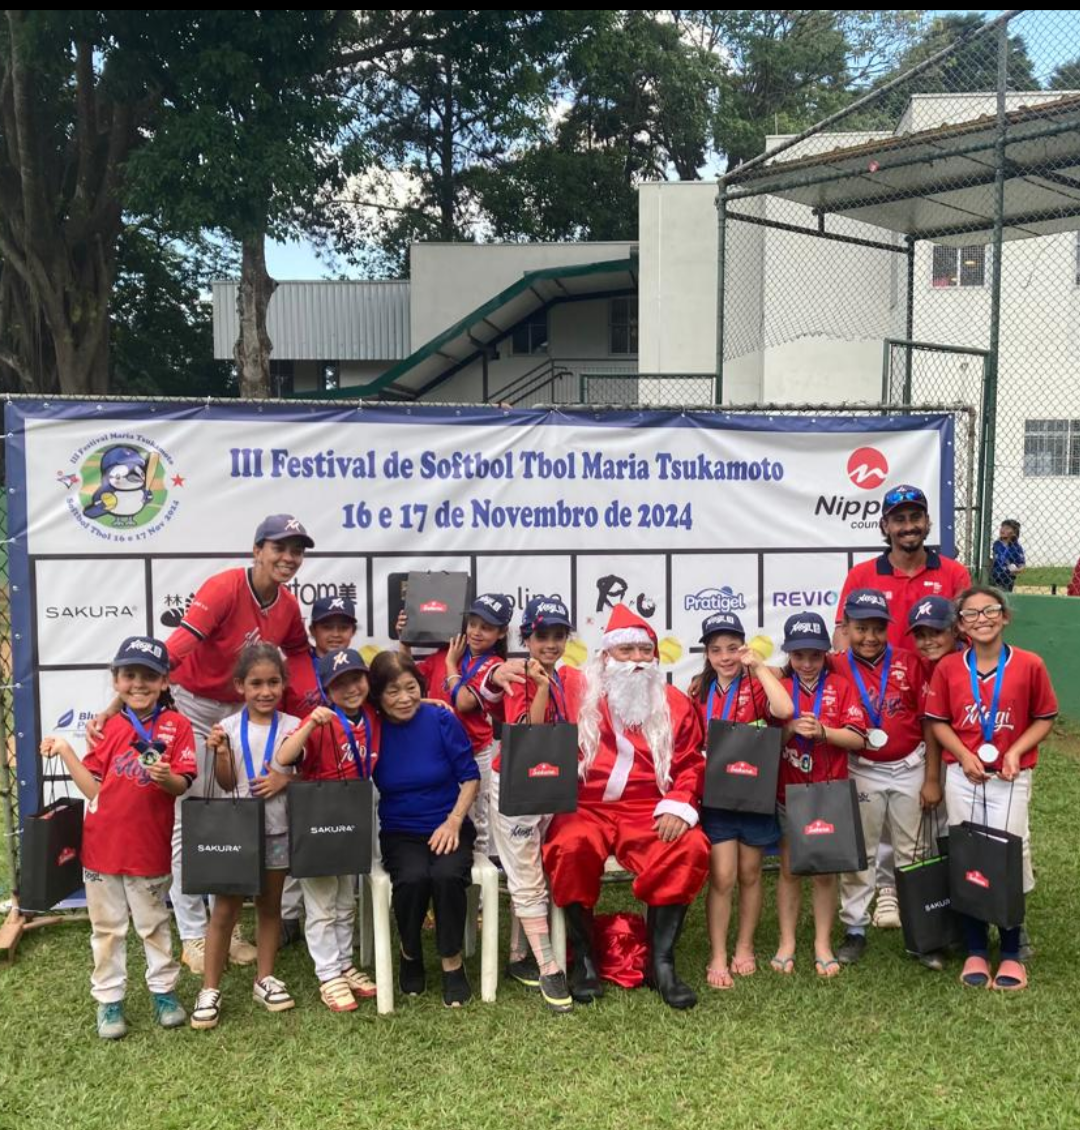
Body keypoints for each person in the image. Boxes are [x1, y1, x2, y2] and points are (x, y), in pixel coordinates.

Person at [161, 514, 313, 973]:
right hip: (196, 706)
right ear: (257, 550)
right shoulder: (225, 587)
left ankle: (223, 926)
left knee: (234, 816)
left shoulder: (286, 605)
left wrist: (310, 712)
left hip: (245, 715)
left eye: (297, 550)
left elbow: (301, 653)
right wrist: (122, 699)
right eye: (279, 547)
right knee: (194, 816)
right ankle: (193, 934)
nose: (288, 558)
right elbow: (179, 643)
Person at [542, 605, 709, 1010]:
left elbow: (690, 762)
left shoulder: (673, 703)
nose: (636, 660)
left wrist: (679, 804)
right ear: (605, 657)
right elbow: (534, 682)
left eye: (643, 651)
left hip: (647, 808)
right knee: (570, 844)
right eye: (626, 651)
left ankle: (660, 961)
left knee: (688, 846)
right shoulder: (574, 691)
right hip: (586, 805)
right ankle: (584, 958)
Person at [39, 636, 196, 1039]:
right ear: (116, 680)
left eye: (149, 676)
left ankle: (164, 992)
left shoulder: (176, 726)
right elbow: (94, 790)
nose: (138, 684)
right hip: (101, 849)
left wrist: (167, 777)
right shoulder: (107, 726)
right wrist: (65, 749)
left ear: (164, 682)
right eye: (130, 675)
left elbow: (182, 785)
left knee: (154, 924)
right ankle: (109, 1001)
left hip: (149, 850)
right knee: (107, 928)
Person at [925, 586, 1057, 991]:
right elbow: (939, 721)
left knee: (1009, 855)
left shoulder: (1029, 664)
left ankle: (1013, 951)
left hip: (1009, 777)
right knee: (969, 855)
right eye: (971, 614)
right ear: (960, 625)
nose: (981, 619)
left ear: (1005, 616)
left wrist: (1016, 750)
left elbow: (1044, 717)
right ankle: (976, 948)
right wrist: (964, 756)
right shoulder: (949, 667)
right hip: (964, 776)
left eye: (990, 611)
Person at [190, 644, 300, 1030]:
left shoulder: (293, 726)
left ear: (284, 684)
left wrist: (284, 778)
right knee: (225, 911)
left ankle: (264, 979)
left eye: (273, 682)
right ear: (240, 686)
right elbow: (224, 782)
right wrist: (220, 754)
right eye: (256, 683)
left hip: (277, 830)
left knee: (270, 907)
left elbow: (305, 775)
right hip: (236, 833)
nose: (265, 691)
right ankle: (209, 988)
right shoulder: (228, 729)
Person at [368, 650, 481, 1008]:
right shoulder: (371, 726)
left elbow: (469, 777)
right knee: (414, 878)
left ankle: (451, 962)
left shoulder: (440, 719)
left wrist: (453, 820)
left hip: (449, 821)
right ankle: (410, 951)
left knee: (447, 874)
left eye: (412, 687)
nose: (404, 698)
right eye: (393, 692)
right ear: (377, 698)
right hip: (401, 830)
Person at [489, 596, 583, 1013]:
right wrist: (541, 686)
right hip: (515, 785)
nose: (550, 643)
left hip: (546, 781)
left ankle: (518, 956)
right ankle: (548, 966)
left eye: (558, 635)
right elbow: (531, 729)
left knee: (532, 868)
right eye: (542, 635)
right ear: (526, 638)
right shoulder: (519, 675)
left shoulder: (560, 675)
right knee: (528, 876)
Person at [691, 611, 793, 990]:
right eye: (716, 650)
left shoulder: (757, 686)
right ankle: (718, 953)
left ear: (744, 647)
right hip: (717, 797)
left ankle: (744, 946)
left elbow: (784, 711)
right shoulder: (697, 691)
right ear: (706, 654)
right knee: (722, 877)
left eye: (733, 648)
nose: (726, 657)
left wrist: (760, 667)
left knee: (750, 874)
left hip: (753, 793)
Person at [828, 591, 930, 967]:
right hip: (861, 767)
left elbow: (927, 720)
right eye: (860, 628)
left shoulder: (909, 662)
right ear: (845, 629)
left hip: (909, 765)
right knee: (862, 851)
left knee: (914, 851)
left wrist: (931, 775)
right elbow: (788, 671)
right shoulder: (833, 665)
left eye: (877, 629)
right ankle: (855, 927)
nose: (869, 637)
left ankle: (923, 929)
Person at [276, 647, 380, 1013]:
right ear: (325, 688)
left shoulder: (369, 717)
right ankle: (328, 974)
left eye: (356, 678)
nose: (351, 688)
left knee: (344, 899)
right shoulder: (319, 721)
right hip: (319, 821)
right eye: (339, 683)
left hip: (353, 818)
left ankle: (344, 963)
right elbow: (284, 758)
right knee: (321, 903)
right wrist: (308, 725)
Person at [773, 613, 867, 979]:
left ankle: (822, 943)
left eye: (815, 655)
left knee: (825, 873)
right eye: (799, 656)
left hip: (829, 793)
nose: (807, 664)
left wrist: (825, 732)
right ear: (789, 655)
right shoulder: (778, 686)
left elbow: (858, 738)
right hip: (789, 791)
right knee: (789, 869)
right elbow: (763, 741)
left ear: (826, 652)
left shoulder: (841, 686)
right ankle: (787, 941)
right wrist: (791, 729)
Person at [400, 593, 515, 856]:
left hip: (475, 752)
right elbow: (410, 677)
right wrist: (405, 642)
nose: (476, 632)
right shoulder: (448, 651)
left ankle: (481, 892)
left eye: (486, 627)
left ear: (501, 633)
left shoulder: (495, 665)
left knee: (478, 822)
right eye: (473, 623)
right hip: (438, 751)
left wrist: (452, 664)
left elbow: (463, 702)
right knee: (442, 812)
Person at [279, 595, 361, 951]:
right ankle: (287, 918)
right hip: (297, 770)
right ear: (313, 630)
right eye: (328, 626)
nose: (336, 633)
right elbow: (274, 718)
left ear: (353, 631)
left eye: (343, 626)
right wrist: (283, 773)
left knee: (338, 856)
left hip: (340, 779)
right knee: (293, 848)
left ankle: (338, 930)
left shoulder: (359, 670)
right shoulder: (292, 664)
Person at [836, 485, 972, 652]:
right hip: (881, 676)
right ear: (885, 525)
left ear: (927, 521)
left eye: (916, 518)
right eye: (899, 520)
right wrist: (848, 672)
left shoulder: (955, 572)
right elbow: (843, 631)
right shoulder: (860, 574)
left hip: (939, 674)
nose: (909, 527)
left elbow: (967, 632)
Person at [990, 520, 1026, 592]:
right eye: (1002, 527)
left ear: (1014, 533)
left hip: (1007, 578)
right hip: (994, 576)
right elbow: (994, 558)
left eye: (1007, 528)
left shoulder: (1016, 548)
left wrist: (1017, 570)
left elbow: (1022, 565)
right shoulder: (997, 544)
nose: (1002, 530)